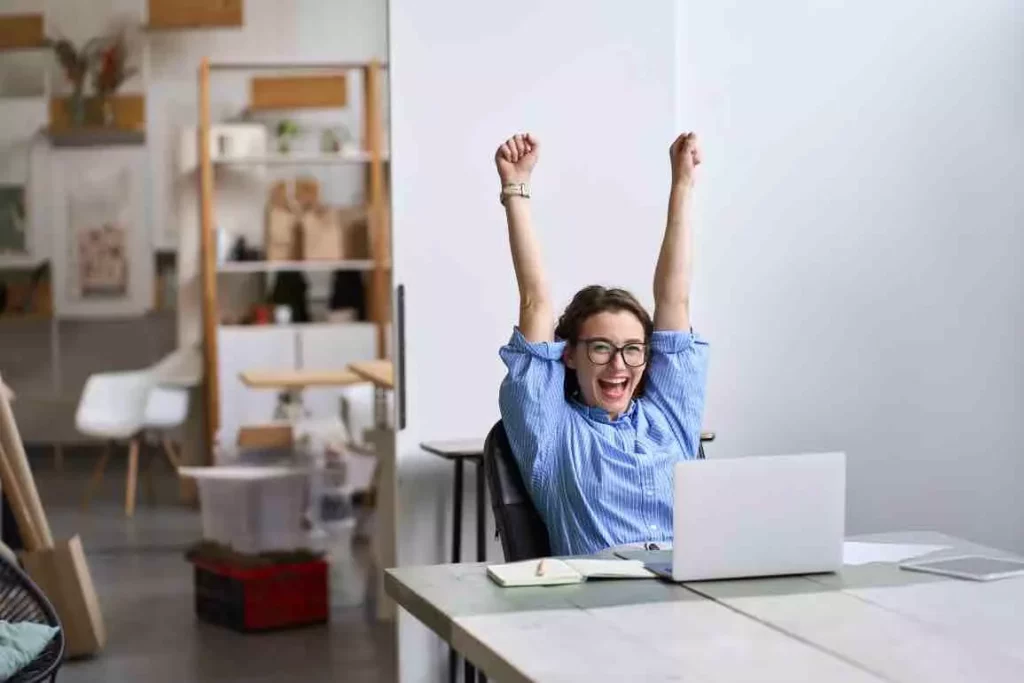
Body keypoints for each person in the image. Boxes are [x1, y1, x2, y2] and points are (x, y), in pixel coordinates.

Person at [496, 131, 710, 556]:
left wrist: (682, 185)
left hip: (690, 598)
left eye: (633, 348)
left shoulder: (668, 418)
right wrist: (515, 190)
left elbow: (674, 298)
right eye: (601, 348)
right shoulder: (552, 432)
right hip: (603, 607)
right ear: (569, 355)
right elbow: (536, 302)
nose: (619, 365)